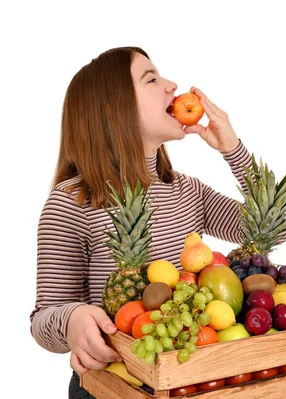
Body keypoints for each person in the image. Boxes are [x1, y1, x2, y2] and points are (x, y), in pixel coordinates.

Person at [29, 46, 269, 398]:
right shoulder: (72, 201)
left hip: (190, 380)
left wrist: (233, 149)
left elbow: (267, 229)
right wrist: (72, 319)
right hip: (113, 385)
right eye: (152, 79)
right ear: (114, 108)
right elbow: (42, 321)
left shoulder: (187, 190)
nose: (172, 85)